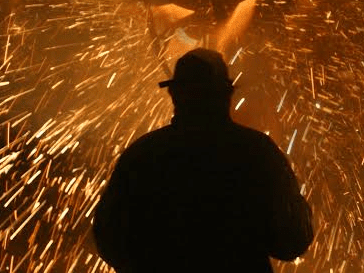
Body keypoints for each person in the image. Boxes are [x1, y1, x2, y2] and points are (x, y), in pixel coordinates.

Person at [93, 48, 313, 273]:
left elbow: (111, 241)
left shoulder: (142, 155)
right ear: (226, 93)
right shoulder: (257, 152)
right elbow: (292, 239)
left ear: (174, 93)